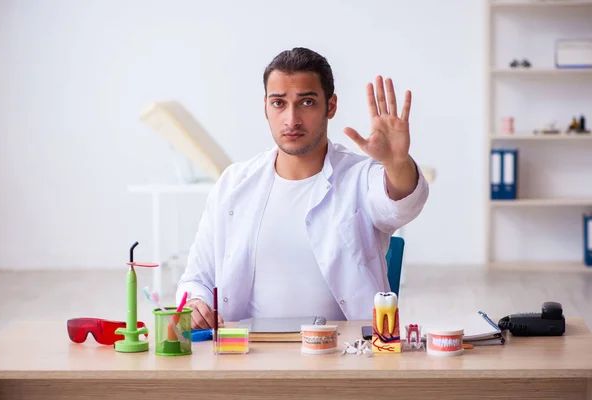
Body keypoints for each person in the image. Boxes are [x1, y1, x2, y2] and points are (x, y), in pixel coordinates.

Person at [176, 47, 429, 329]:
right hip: (249, 355)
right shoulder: (233, 183)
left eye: (306, 102)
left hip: (344, 355)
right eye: (279, 103)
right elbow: (196, 279)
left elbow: (401, 204)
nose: (291, 119)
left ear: (330, 106)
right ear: (265, 107)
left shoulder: (360, 176)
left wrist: (396, 163)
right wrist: (196, 303)